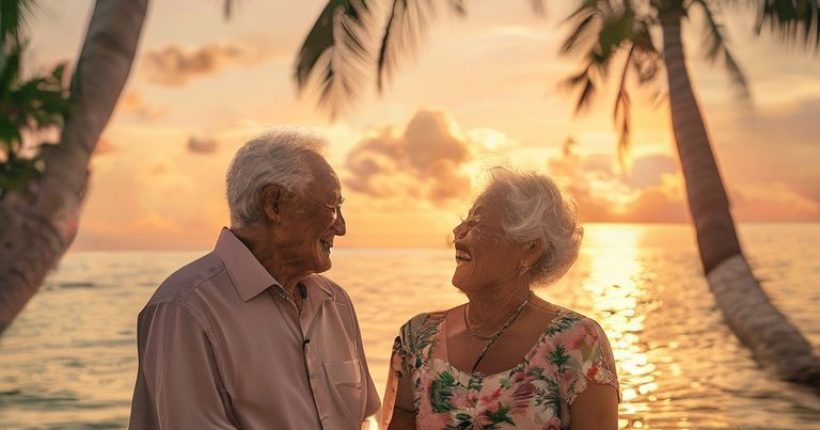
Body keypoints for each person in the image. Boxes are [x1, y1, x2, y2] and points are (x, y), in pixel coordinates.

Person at [128, 128, 380, 430]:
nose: (341, 227)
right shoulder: (184, 309)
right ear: (274, 204)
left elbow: (365, 419)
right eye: (332, 207)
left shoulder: (336, 303)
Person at [381, 167, 619, 430]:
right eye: (464, 220)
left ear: (530, 248)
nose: (458, 231)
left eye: (477, 222)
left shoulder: (578, 342)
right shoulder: (417, 338)